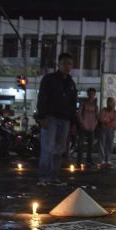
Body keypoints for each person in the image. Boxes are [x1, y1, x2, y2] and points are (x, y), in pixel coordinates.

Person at [36, 53, 78, 185]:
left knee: (59, 149)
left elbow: (73, 103)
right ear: (58, 64)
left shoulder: (71, 83)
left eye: (70, 64)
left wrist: (73, 123)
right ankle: (44, 176)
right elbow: (42, 98)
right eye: (64, 63)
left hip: (65, 119)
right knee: (48, 147)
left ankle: (54, 176)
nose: (67, 66)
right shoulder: (49, 79)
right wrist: (42, 117)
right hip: (50, 117)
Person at [77, 88, 99, 166]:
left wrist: (94, 125)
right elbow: (79, 113)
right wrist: (82, 123)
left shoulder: (95, 105)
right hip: (83, 126)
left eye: (92, 94)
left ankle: (89, 159)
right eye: (90, 93)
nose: (91, 95)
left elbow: (97, 116)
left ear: (94, 94)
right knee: (80, 144)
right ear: (88, 94)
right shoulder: (84, 103)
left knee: (91, 144)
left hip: (91, 127)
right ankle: (79, 161)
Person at [98, 97, 116, 167]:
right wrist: (108, 121)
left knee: (109, 144)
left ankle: (108, 159)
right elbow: (101, 119)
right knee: (102, 144)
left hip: (110, 129)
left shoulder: (115, 112)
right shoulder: (103, 110)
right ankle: (102, 160)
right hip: (103, 129)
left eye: (112, 102)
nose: (111, 104)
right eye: (109, 102)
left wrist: (107, 121)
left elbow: (114, 121)